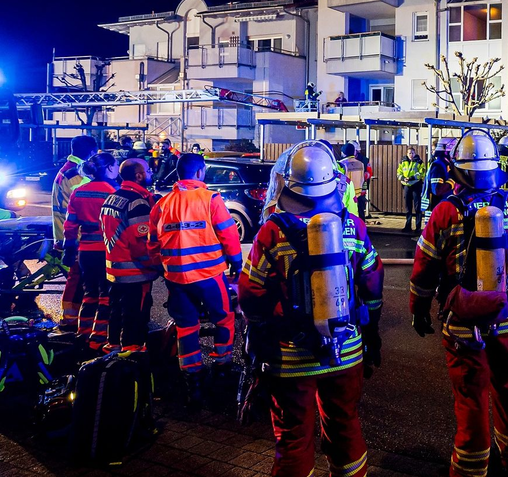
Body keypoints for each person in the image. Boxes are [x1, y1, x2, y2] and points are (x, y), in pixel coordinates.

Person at [240, 142, 384, 477]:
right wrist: (371, 329)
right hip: (345, 351)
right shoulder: (352, 227)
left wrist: (262, 329)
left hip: (290, 358)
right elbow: (373, 284)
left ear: (290, 184)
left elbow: (251, 293)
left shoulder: (273, 231)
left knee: (293, 439)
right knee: (345, 426)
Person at [410, 130, 508, 477]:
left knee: (471, 398)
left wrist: (419, 310)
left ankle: (471, 469)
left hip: (463, 322)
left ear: (458, 171)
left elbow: (424, 269)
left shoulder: (445, 212)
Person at [150, 152, 243, 406]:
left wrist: (163, 268)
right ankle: (222, 367)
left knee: (186, 326)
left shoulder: (163, 203)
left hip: (176, 278)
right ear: (200, 172)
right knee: (224, 319)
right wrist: (236, 262)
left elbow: (152, 243)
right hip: (209, 275)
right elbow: (229, 235)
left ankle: (193, 380)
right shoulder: (210, 199)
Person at [99, 158, 160, 353]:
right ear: (139, 175)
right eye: (148, 171)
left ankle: (113, 346)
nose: (151, 173)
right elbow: (141, 245)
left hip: (114, 269)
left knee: (116, 309)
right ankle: (132, 352)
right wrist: (156, 265)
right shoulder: (137, 203)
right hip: (135, 272)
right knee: (135, 313)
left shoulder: (112, 197)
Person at [63, 152, 120, 351]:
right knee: (106, 296)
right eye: (116, 165)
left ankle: (83, 333)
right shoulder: (113, 192)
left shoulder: (78, 192)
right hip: (106, 251)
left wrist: (69, 248)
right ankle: (98, 339)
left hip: (85, 251)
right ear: (109, 168)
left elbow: (70, 225)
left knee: (89, 293)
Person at [52, 134, 97, 334]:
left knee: (77, 276)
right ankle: (70, 318)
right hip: (76, 235)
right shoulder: (76, 174)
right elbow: (87, 202)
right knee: (77, 277)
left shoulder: (68, 170)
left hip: (67, 231)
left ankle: (73, 316)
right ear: (92, 151)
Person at [421, 136, 455, 216]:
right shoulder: (438, 166)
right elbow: (437, 190)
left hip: (443, 207)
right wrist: (452, 180)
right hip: (436, 210)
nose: (456, 154)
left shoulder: (446, 164)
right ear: (447, 152)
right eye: (454, 151)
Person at [397, 148, 426, 233]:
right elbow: (399, 172)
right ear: (407, 153)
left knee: (417, 208)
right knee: (408, 208)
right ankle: (408, 226)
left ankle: (418, 227)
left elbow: (422, 173)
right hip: (406, 186)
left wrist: (412, 178)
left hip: (416, 186)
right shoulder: (403, 162)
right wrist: (403, 178)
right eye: (409, 153)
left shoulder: (419, 162)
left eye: (412, 153)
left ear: (415, 153)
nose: (411, 155)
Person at [340, 142, 368, 216]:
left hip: (347, 195)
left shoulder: (342, 164)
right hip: (359, 193)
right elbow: (362, 178)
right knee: (360, 214)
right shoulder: (360, 164)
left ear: (343, 153)